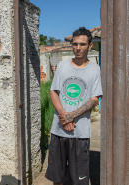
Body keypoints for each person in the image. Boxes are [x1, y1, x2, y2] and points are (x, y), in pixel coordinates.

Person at [45, 27, 103, 185]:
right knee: (58, 178)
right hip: (58, 130)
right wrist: (64, 116)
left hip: (80, 132)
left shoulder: (95, 70)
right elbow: (53, 92)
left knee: (79, 180)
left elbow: (94, 99)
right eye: (75, 44)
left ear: (90, 46)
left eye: (82, 44)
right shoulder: (63, 66)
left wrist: (71, 116)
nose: (78, 48)